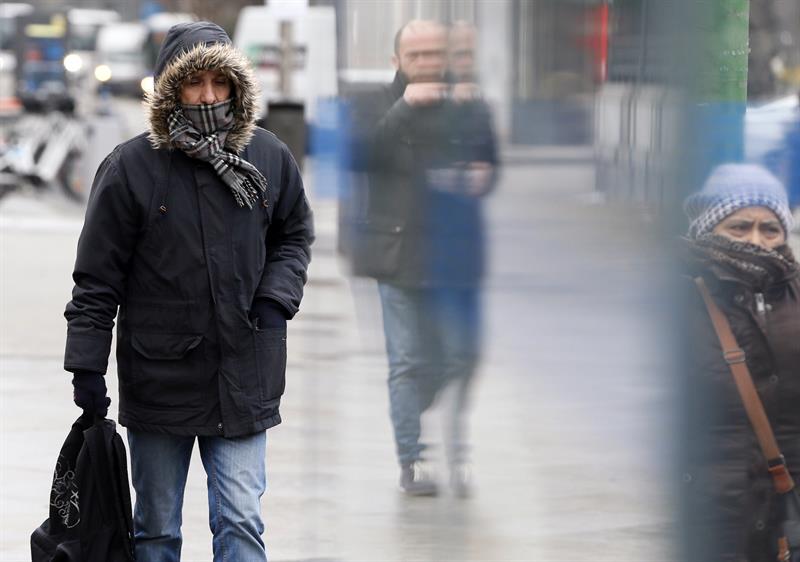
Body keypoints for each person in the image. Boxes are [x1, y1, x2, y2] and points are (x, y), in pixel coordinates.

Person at [63, 21, 313, 561]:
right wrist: (86, 367)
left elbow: (294, 234)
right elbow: (97, 279)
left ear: (236, 86)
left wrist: (275, 301)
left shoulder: (269, 157)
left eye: (219, 82)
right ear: (169, 89)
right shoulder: (131, 167)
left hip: (244, 372)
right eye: (193, 82)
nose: (207, 96)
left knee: (242, 522)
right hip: (160, 379)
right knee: (155, 530)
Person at [343, 20, 497, 497]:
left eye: (436, 54)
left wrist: (482, 174)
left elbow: (490, 162)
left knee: (462, 356)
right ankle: (414, 459)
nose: (429, 63)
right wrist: (405, 107)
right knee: (407, 360)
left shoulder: (468, 102)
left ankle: (443, 436)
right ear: (397, 61)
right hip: (397, 253)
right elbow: (361, 156)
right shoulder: (374, 103)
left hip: (454, 255)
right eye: (418, 55)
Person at [680, 163, 799, 562]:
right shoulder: (679, 298)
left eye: (770, 229)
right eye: (739, 227)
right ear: (709, 227)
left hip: (790, 514)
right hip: (714, 514)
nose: (756, 241)